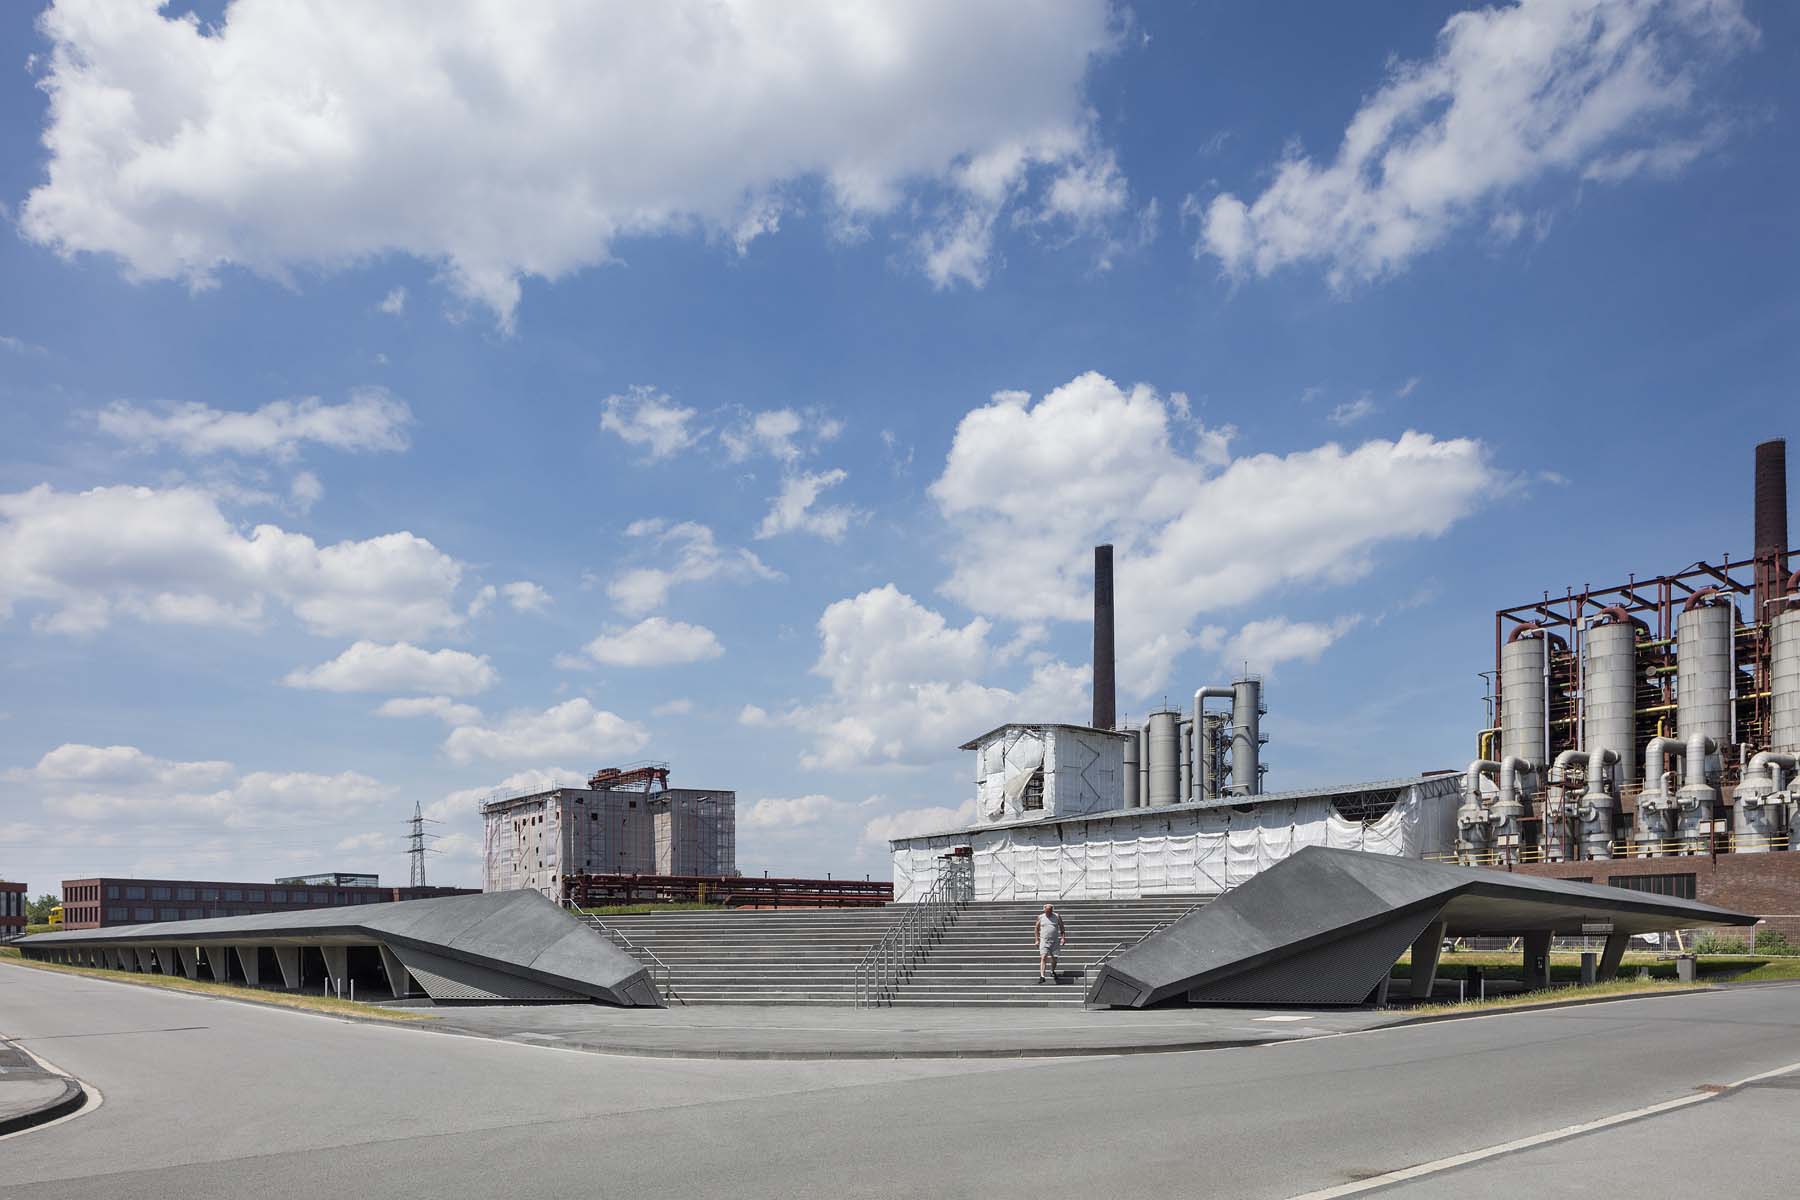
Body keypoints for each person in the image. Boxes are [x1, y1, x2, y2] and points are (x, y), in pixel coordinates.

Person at [1034, 903, 1066, 984]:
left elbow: (1062, 928)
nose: (1048, 913)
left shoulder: (1057, 916)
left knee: (1054, 958)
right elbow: (1036, 929)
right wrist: (1037, 939)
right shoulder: (1041, 917)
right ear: (1044, 910)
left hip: (1054, 941)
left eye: (1050, 911)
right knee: (1043, 957)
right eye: (1047, 911)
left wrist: (1063, 938)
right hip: (1044, 940)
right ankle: (1042, 976)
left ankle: (1052, 971)